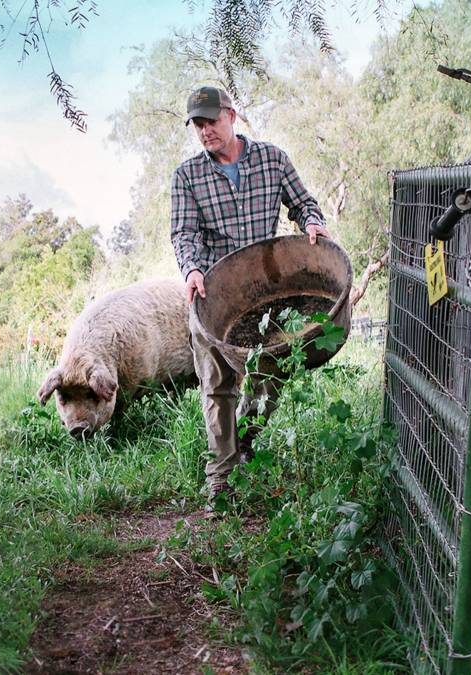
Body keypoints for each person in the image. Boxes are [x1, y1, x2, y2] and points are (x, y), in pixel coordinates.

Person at [170, 85, 330, 502]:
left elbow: (303, 204)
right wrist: (191, 269)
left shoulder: (273, 159)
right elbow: (184, 234)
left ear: (231, 116)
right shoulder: (187, 176)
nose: (204, 131)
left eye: (210, 121)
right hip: (213, 295)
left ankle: (245, 440)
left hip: (264, 294)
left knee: (269, 379)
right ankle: (221, 478)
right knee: (217, 387)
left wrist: (312, 222)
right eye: (197, 125)